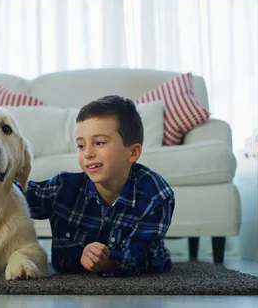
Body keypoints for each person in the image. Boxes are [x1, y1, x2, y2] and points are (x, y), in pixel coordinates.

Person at [22, 95, 175, 276]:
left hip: (140, 273)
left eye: (100, 143)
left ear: (133, 152)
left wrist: (107, 261)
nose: (88, 153)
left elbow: (136, 256)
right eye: (80, 145)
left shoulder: (155, 195)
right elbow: (15, 196)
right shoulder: (63, 188)